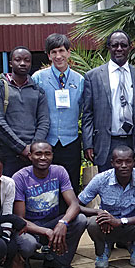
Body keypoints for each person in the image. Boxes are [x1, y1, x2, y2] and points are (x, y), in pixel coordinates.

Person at [78, 145, 135, 268]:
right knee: (93, 223)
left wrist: (120, 221)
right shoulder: (101, 179)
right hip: (107, 227)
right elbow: (76, 205)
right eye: (119, 162)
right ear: (112, 163)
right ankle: (102, 251)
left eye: (128, 161)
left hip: (133, 226)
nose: (124, 165)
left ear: (134, 162)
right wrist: (98, 212)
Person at [13, 141, 87, 268]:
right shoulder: (20, 178)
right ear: (30, 156)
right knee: (27, 244)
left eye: (47, 154)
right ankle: (24, 259)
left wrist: (62, 223)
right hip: (29, 227)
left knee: (80, 219)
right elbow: (20, 218)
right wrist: (45, 231)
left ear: (52, 155)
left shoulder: (59, 171)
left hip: (52, 222)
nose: (43, 158)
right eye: (38, 154)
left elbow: (74, 204)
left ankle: (58, 260)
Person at [81, 30, 135, 172]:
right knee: (107, 187)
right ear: (108, 47)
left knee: (133, 187)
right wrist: (88, 144)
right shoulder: (93, 76)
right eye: (115, 45)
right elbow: (87, 113)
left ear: (130, 47)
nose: (119, 49)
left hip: (133, 141)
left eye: (123, 45)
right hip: (107, 141)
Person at [32, 34, 84, 193]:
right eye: (53, 52)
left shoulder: (80, 80)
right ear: (48, 55)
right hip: (47, 142)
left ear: (69, 52)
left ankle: (71, 216)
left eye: (62, 51)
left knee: (71, 183)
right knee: (46, 185)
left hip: (71, 141)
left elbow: (83, 110)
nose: (58, 56)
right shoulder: (38, 78)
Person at [0, 46, 50, 176]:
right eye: (18, 60)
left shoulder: (38, 91)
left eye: (27, 60)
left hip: (33, 156)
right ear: (11, 63)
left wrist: (33, 148)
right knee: (8, 192)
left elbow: (44, 121)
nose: (23, 63)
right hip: (7, 153)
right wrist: (21, 148)